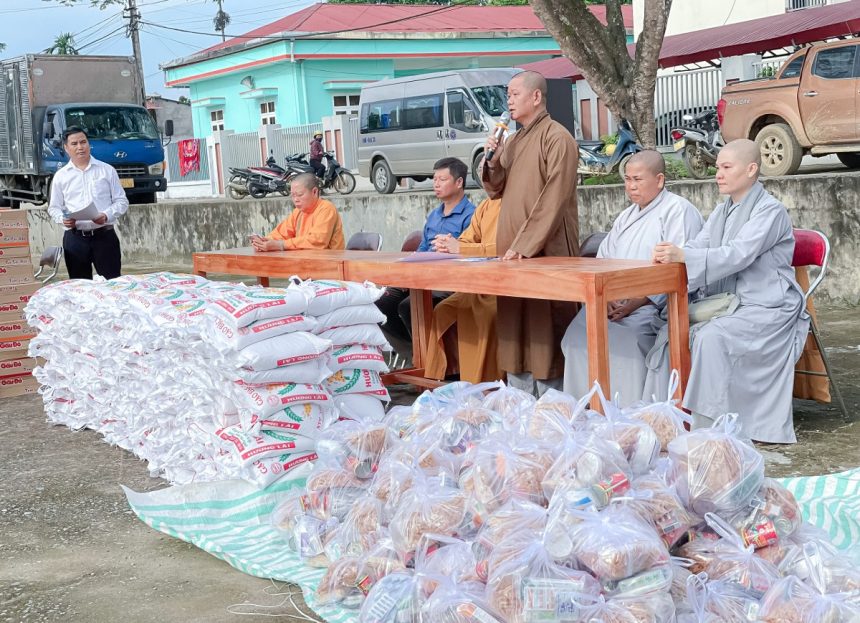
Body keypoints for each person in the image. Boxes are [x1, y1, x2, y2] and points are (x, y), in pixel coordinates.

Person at [648, 139, 809, 444]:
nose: (718, 174)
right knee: (671, 330)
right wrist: (675, 252)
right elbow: (700, 244)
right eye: (717, 167)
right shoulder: (724, 211)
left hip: (766, 307)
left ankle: (711, 431)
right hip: (729, 303)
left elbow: (738, 254)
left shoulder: (770, 211)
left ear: (751, 170)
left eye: (725, 167)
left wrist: (685, 256)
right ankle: (667, 422)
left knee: (710, 338)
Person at [561, 150, 703, 405]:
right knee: (575, 335)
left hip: (653, 307)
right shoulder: (626, 216)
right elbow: (603, 261)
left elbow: (681, 269)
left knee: (628, 341)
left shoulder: (678, 211)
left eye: (637, 179)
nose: (630, 186)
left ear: (659, 180)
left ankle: (630, 413)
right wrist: (606, 299)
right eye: (627, 179)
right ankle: (584, 409)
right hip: (611, 302)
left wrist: (639, 300)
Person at [481, 70, 579, 397]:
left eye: (514, 94)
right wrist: (491, 158)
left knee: (544, 328)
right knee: (515, 326)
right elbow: (496, 189)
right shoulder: (515, 139)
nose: (508, 100)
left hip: (544, 249)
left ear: (535, 97)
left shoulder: (557, 137)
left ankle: (553, 408)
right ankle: (520, 405)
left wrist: (526, 245)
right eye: (507, 95)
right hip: (514, 251)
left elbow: (555, 195)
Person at [376, 157, 476, 356]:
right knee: (381, 302)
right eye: (434, 179)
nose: (436, 184)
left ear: (459, 182)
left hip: (450, 281)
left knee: (409, 306)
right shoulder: (434, 215)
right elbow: (421, 250)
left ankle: (431, 359)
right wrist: (407, 274)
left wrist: (452, 249)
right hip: (422, 278)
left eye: (442, 179)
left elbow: (472, 254)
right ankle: (414, 353)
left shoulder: (471, 215)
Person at [425, 197, 503, 383]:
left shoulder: (517, 204)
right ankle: (442, 378)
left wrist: (462, 248)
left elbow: (506, 247)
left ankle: (482, 381)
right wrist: (451, 244)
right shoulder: (486, 204)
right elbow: (468, 238)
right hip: (477, 282)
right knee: (442, 310)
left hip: (502, 285)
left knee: (486, 314)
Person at [48, 126, 129, 280]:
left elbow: (121, 201)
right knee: (80, 288)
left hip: (104, 236)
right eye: (74, 144)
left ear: (88, 144)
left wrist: (106, 215)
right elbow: (54, 208)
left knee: (112, 284)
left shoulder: (107, 170)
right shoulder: (61, 176)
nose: (80, 147)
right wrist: (63, 219)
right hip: (75, 239)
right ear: (66, 148)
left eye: (83, 142)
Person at [251, 173, 345, 251]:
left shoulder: (326, 208)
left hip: (330, 266)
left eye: (300, 195)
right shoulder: (298, 212)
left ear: (315, 192)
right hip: (304, 263)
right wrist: (264, 242)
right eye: (292, 195)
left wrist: (281, 245)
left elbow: (317, 242)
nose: (296, 199)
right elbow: (280, 234)